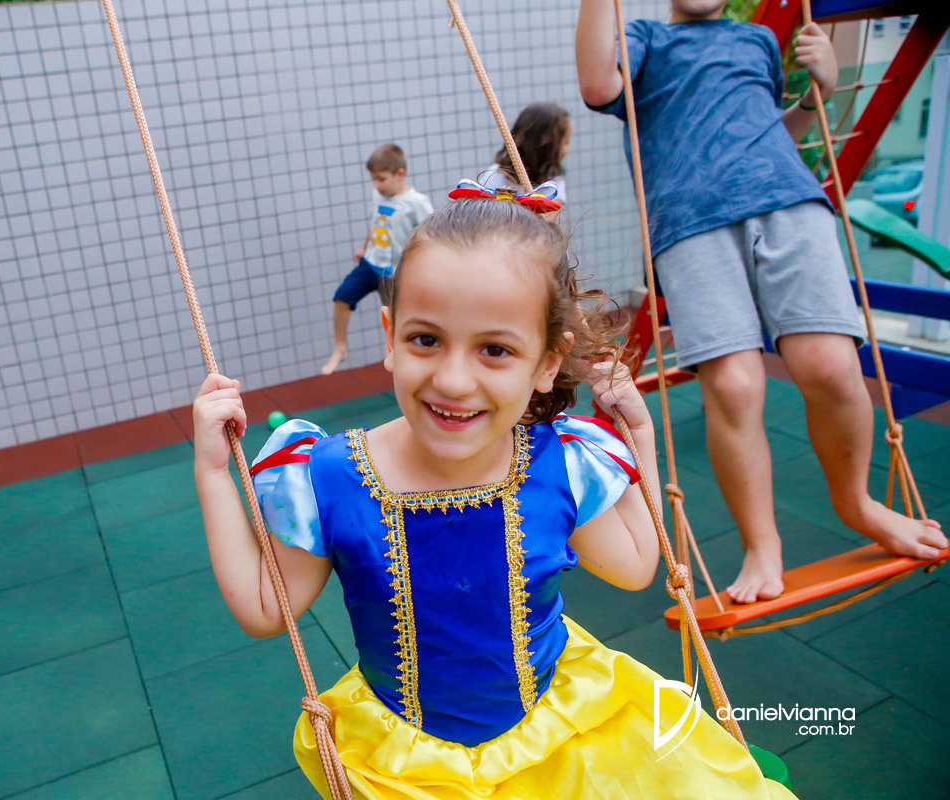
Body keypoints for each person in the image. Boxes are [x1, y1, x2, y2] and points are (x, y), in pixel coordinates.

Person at [193, 194, 795, 798]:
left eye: (495, 349)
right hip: (407, 760)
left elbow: (638, 565)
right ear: (389, 336)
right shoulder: (330, 477)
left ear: (547, 362)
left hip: (560, 733)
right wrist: (214, 473)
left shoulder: (559, 464)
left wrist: (638, 434)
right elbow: (265, 608)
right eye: (426, 339)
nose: (454, 380)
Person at [575, 0, 946, 603]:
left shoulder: (758, 41)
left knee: (831, 366)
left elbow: (770, 134)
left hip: (789, 201)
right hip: (690, 219)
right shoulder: (644, 39)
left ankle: (857, 503)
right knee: (735, 384)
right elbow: (597, 84)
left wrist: (816, 96)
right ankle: (761, 543)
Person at [320, 144, 434, 375]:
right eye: (373, 179)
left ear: (400, 173)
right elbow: (376, 222)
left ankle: (395, 356)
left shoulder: (416, 202)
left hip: (394, 273)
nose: (376, 185)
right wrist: (364, 247)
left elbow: (430, 237)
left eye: (381, 179)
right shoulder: (378, 195)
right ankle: (340, 348)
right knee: (342, 297)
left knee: (393, 318)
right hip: (371, 264)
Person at [479, 101, 572, 201]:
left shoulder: (552, 184)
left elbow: (553, 209)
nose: (568, 149)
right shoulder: (494, 176)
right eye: (566, 142)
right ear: (547, 145)